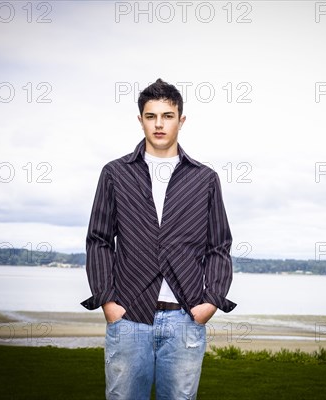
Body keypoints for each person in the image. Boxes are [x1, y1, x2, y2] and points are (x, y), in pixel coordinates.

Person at [81, 78, 236, 399]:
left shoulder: (204, 179)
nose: (159, 124)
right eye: (151, 116)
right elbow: (98, 240)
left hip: (185, 318)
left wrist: (211, 301)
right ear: (140, 121)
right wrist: (107, 301)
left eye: (167, 116)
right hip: (128, 317)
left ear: (181, 120)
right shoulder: (115, 173)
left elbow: (219, 245)